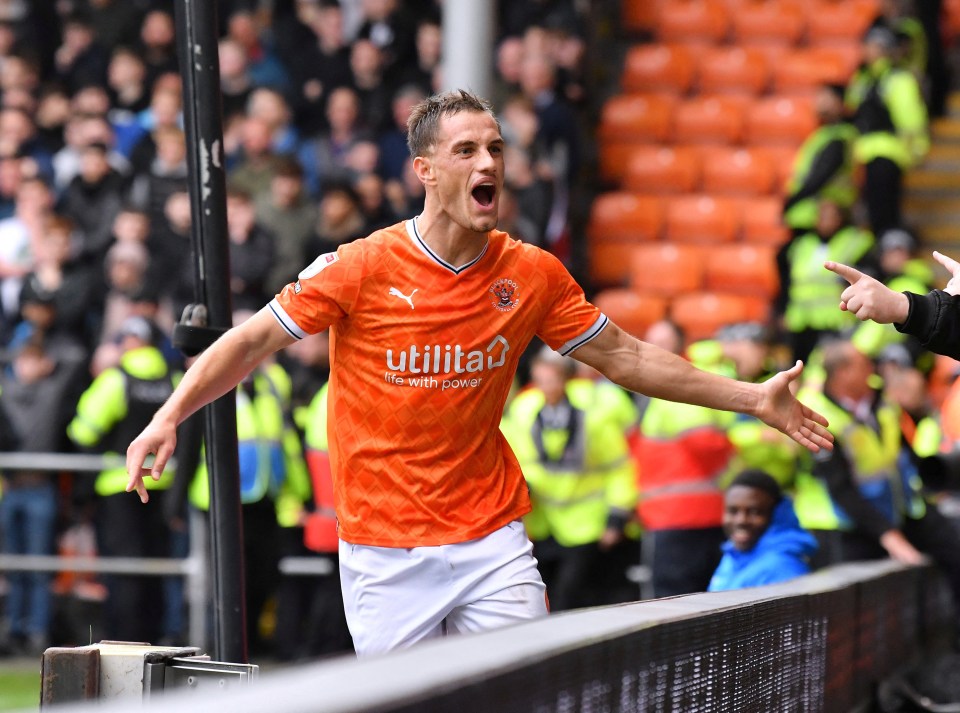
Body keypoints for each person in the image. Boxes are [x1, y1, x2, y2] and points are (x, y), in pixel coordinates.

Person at [125, 90, 832, 657]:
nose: (487, 161)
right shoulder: (361, 266)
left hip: (489, 536)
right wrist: (168, 416)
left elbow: (628, 357)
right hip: (382, 546)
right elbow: (249, 343)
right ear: (425, 170)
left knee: (523, 688)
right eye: (466, 149)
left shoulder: (531, 273)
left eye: (495, 147)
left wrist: (752, 397)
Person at [503, 346, 637, 611]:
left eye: (550, 379)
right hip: (542, 523)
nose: (544, 386)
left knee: (572, 599)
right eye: (539, 379)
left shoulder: (593, 416)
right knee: (547, 598)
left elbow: (618, 467)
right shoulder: (524, 410)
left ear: (566, 378)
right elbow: (515, 459)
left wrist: (617, 517)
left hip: (587, 522)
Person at [825, 251, 960, 360]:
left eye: (898, 251)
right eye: (888, 251)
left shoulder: (907, 282)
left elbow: (869, 342)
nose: (893, 257)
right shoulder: (892, 281)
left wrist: (899, 305)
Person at [708, 470, 817, 592]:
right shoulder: (732, 555)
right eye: (733, 511)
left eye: (755, 512)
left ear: (776, 514)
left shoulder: (782, 567)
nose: (741, 521)